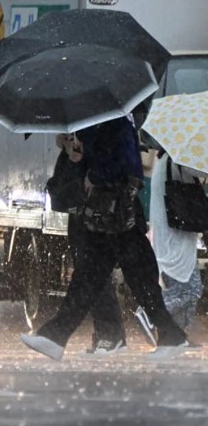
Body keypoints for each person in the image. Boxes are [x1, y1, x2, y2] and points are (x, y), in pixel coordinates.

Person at [22, 117, 190, 360]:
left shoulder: (119, 126)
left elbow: (129, 165)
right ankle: (55, 336)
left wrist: (96, 175)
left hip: (119, 218)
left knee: (125, 281)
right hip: (105, 221)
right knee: (93, 279)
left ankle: (57, 336)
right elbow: (92, 161)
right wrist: (75, 151)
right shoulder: (96, 126)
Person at [54, 133, 128, 355]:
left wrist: (82, 156)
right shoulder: (79, 140)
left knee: (95, 275)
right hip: (79, 215)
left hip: (94, 215)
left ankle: (111, 334)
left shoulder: (102, 137)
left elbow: (103, 173)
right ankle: (105, 333)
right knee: (90, 274)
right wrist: (69, 151)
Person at [150, 152, 205, 334]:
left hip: (177, 232)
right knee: (191, 289)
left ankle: (177, 335)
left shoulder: (166, 159)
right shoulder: (177, 158)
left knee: (185, 287)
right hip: (174, 235)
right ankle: (151, 314)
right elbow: (198, 168)